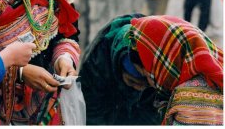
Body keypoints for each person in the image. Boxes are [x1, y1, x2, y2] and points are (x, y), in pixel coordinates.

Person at [81, 14, 223, 125]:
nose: (141, 87)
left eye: (149, 78)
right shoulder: (99, 64)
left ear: (162, 65)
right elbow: (92, 111)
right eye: (132, 81)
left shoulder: (187, 102)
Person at [80, 14, 163, 125]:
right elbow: (91, 113)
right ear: (118, 69)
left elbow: (152, 114)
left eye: (145, 84)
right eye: (132, 81)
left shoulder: (159, 65)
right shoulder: (95, 66)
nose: (139, 88)